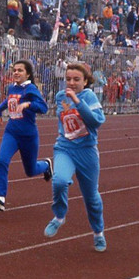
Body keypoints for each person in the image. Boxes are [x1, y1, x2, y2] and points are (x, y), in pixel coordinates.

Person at [44, 62, 108, 252]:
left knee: (91, 198)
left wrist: (78, 103)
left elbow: (96, 122)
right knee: (60, 181)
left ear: (86, 81)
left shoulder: (89, 96)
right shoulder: (59, 96)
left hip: (87, 151)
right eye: (68, 79)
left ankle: (98, 233)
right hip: (65, 148)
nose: (71, 83)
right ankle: (59, 216)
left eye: (76, 79)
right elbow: (64, 120)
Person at [0, 60, 53, 212]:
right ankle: (0, 198)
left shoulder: (31, 89)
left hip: (28, 136)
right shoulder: (12, 88)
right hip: (11, 132)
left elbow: (44, 107)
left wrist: (28, 104)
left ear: (28, 74)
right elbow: (8, 101)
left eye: (20, 70)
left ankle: (46, 165)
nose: (16, 72)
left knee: (30, 170)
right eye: (15, 70)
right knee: (1, 161)